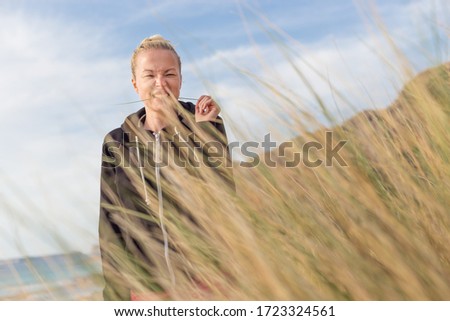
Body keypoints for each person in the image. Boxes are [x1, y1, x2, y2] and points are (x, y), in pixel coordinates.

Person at [99, 35, 233, 300]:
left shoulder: (203, 125)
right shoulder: (116, 142)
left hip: (206, 285)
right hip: (146, 292)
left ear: (180, 80)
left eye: (169, 74)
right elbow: (110, 225)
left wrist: (207, 131)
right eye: (149, 75)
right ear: (136, 84)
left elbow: (223, 198)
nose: (160, 83)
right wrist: (115, 298)